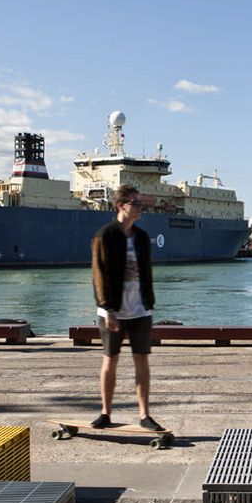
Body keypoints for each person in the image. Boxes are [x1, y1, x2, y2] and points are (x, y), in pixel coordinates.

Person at [90, 184, 162, 431]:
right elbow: (99, 274)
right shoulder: (104, 235)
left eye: (141, 203)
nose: (141, 207)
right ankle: (105, 413)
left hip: (140, 309)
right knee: (110, 360)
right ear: (121, 205)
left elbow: (147, 273)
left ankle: (144, 415)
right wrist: (107, 308)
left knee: (142, 359)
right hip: (113, 310)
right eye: (135, 203)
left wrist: (149, 303)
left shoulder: (141, 237)